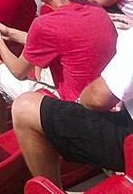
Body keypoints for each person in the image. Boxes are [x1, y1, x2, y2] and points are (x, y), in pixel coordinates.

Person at [0, 0, 118, 136]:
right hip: (102, 98)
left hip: (75, 109)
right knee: (41, 67)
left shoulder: (45, 24)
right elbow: (56, 40)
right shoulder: (96, 10)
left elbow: (18, 71)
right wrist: (9, 33)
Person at [11, 21, 133, 186]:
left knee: (24, 107)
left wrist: (81, 100)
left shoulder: (45, 24)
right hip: (123, 115)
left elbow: (98, 98)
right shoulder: (97, 13)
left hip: (128, 138)